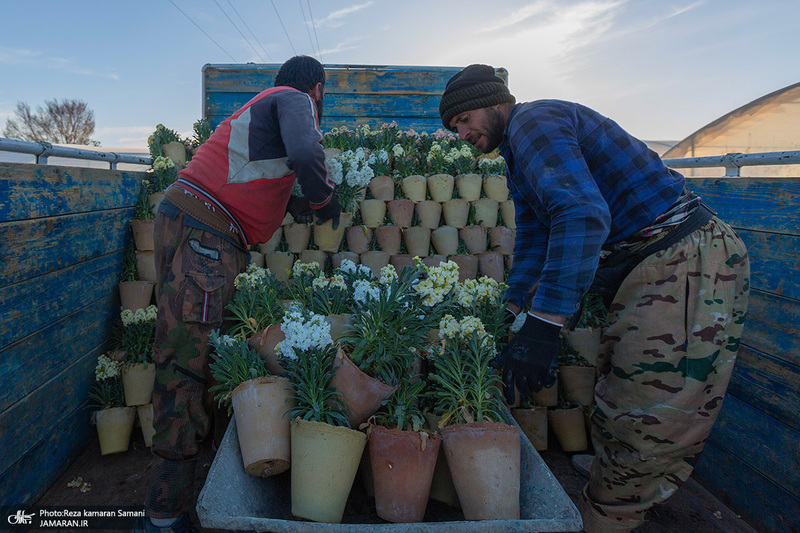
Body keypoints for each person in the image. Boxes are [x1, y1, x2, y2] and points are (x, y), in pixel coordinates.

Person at [439, 64, 750, 532]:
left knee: (647, 409)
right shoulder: (519, 156)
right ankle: (611, 478)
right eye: (452, 127)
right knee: (614, 386)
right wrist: (510, 310)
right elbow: (535, 240)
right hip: (650, 265)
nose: (461, 133)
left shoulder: (533, 122)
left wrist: (544, 326)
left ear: (495, 101)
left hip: (684, 262)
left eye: (464, 119)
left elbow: (582, 216)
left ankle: (607, 516)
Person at [135, 55, 340, 533]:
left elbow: (251, 177)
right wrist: (324, 198)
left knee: (194, 350)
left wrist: (295, 204)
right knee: (186, 359)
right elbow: (308, 155)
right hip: (207, 237)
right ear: (318, 88)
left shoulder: (263, 112)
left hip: (194, 224)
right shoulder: (294, 100)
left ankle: (183, 494)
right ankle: (163, 516)